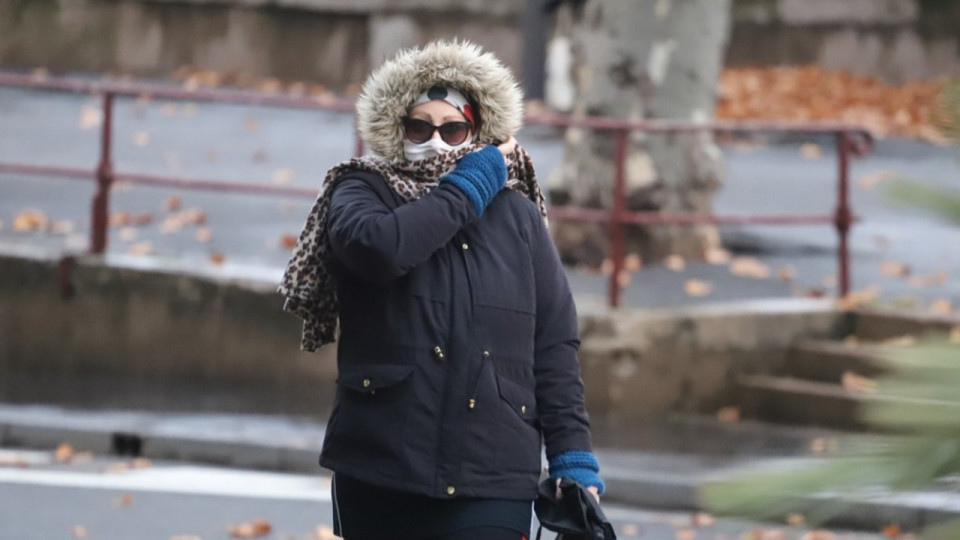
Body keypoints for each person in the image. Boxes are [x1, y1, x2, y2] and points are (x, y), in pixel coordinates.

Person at [278, 40, 604, 540]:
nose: (435, 140)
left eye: (452, 128)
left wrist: (573, 456)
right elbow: (382, 250)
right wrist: (472, 183)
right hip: (382, 468)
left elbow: (553, 343)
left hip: (493, 473)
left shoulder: (516, 215)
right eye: (418, 127)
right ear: (395, 130)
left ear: (477, 131)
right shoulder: (360, 191)